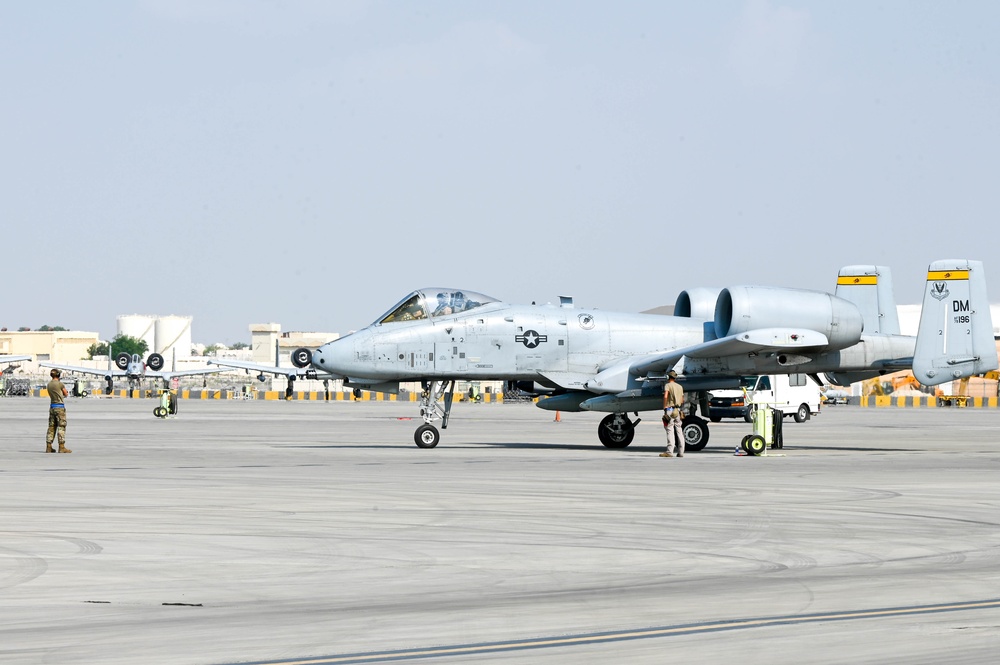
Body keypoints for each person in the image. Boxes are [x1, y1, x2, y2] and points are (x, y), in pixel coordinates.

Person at [45, 368, 71, 453]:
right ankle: (61, 447)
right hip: (60, 407)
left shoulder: (49, 384)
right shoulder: (60, 384)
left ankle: (49, 446)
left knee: (51, 427)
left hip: (52, 407)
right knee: (61, 426)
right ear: (58, 375)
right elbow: (66, 393)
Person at [659, 370, 684, 458]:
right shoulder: (680, 387)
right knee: (679, 430)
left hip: (670, 409)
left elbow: (666, 396)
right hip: (678, 410)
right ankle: (681, 452)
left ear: (668, 377)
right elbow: (682, 400)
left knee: (669, 429)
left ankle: (670, 451)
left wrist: (664, 406)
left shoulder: (668, 385)